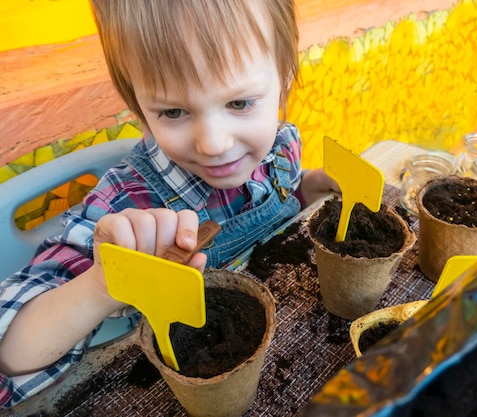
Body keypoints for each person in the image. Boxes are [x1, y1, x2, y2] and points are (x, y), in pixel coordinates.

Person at [0, 0, 338, 407]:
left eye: (239, 103)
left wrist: (312, 187)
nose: (214, 143)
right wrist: (105, 283)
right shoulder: (124, 205)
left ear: (283, 78)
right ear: (139, 108)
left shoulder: (280, 148)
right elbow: (11, 352)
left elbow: (282, 210)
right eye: (174, 111)